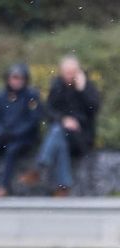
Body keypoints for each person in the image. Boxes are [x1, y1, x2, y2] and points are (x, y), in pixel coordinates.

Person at [20, 55, 100, 196]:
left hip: (82, 137)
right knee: (60, 137)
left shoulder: (87, 87)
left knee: (57, 132)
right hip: (63, 134)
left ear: (78, 71)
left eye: (72, 72)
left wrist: (82, 90)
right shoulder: (57, 86)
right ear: (61, 72)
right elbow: (49, 110)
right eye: (67, 72)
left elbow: (93, 110)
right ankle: (63, 187)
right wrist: (64, 120)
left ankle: (40, 167)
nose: (69, 76)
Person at [0, 63, 42, 197]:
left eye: (20, 78)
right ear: (8, 79)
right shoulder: (1, 96)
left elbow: (32, 120)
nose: (17, 81)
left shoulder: (31, 96)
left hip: (23, 138)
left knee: (11, 151)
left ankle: (3, 185)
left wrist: (16, 133)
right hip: (3, 136)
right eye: (14, 78)